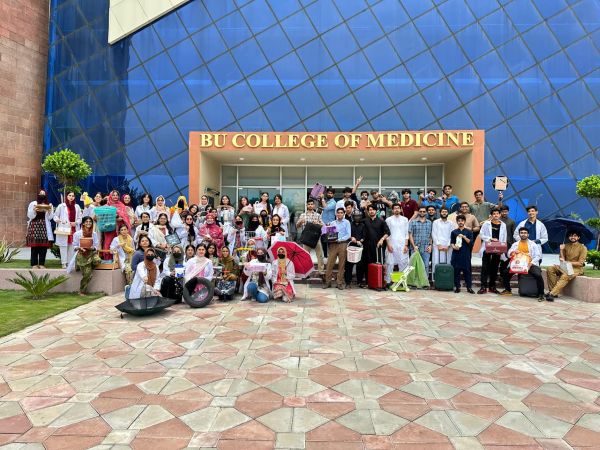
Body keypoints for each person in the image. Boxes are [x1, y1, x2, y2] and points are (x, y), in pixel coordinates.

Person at [503, 227, 544, 301]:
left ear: (528, 234)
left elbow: (538, 256)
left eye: (525, 233)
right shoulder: (515, 244)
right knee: (505, 273)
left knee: (538, 275)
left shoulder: (533, 244)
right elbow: (508, 254)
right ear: (519, 234)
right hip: (517, 264)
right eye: (521, 233)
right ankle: (508, 290)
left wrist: (531, 264)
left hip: (530, 264)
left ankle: (541, 294)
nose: (523, 234)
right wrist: (513, 252)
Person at [545, 230, 587, 301]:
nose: (572, 237)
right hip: (565, 267)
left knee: (566, 275)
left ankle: (551, 294)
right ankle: (553, 292)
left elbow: (580, 263)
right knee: (550, 268)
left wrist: (567, 262)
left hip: (576, 268)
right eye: (571, 236)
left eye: (575, 236)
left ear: (578, 237)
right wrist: (561, 250)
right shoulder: (565, 246)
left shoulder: (583, 248)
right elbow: (562, 260)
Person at [68, 216, 101, 295]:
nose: (88, 223)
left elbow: (96, 245)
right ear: (83, 223)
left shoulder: (94, 234)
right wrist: (79, 248)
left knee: (98, 260)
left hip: (91, 253)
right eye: (86, 222)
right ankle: (82, 291)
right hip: (81, 253)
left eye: (90, 222)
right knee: (88, 275)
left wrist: (93, 248)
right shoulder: (77, 234)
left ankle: (87, 266)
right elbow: (74, 246)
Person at [478, 209, 507, 294]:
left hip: (498, 249)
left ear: (500, 215)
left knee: (494, 268)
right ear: (491, 215)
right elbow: (481, 234)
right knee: (485, 268)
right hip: (487, 247)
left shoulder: (503, 225)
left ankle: (492, 287)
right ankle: (483, 287)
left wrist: (502, 249)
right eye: (494, 214)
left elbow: (504, 237)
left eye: (497, 213)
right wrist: (490, 239)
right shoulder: (486, 224)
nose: (496, 215)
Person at [323, 207, 351, 290]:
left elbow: (348, 235)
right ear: (336, 214)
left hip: (343, 244)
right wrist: (326, 228)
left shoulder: (347, 222)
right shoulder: (332, 223)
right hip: (333, 245)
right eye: (338, 213)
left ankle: (339, 283)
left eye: (341, 213)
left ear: (344, 214)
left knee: (341, 265)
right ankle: (328, 282)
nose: (339, 214)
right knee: (329, 264)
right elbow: (326, 233)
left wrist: (340, 239)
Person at [54, 191, 82, 268]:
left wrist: (76, 223)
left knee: (72, 246)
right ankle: (64, 263)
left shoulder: (77, 206)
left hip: (74, 229)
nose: (71, 197)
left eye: (73, 196)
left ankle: (70, 263)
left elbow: (80, 218)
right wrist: (58, 220)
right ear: (66, 196)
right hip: (64, 228)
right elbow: (55, 216)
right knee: (63, 246)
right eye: (69, 195)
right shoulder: (61, 206)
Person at [363, 204, 390, 286]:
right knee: (368, 264)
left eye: (373, 210)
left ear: (376, 211)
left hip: (378, 246)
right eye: (370, 210)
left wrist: (382, 239)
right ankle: (369, 282)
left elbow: (388, 232)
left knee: (379, 264)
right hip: (368, 246)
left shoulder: (381, 221)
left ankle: (380, 282)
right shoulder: (365, 221)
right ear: (368, 212)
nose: (371, 211)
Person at [296, 198, 325, 275]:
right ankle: (306, 271)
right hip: (306, 238)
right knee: (305, 255)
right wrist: (300, 222)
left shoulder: (317, 215)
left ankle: (321, 271)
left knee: (320, 255)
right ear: (306, 205)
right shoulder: (303, 215)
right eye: (309, 204)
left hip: (316, 237)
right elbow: (297, 226)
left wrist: (318, 223)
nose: (310, 205)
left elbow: (323, 226)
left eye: (312, 204)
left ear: (314, 205)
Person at [26, 189, 54, 268]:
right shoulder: (33, 203)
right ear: (38, 194)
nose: (42, 195)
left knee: (43, 246)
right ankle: (34, 264)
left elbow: (50, 217)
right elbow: (30, 215)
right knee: (34, 246)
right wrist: (34, 210)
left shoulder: (49, 204)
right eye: (40, 194)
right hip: (34, 226)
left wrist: (49, 211)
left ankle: (42, 264)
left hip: (44, 226)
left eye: (43, 194)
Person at [385, 203, 410, 285]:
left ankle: (402, 281)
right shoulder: (388, 220)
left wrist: (406, 245)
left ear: (400, 209)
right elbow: (386, 233)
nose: (396, 210)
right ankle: (388, 281)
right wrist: (388, 245)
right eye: (395, 208)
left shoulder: (405, 219)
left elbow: (406, 233)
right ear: (392, 210)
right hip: (392, 243)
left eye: (398, 208)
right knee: (390, 263)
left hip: (402, 244)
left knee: (403, 262)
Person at [450, 215, 474, 293]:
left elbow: (470, 242)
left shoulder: (469, 232)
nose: (460, 222)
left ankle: (469, 287)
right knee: (456, 271)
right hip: (456, 254)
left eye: (462, 221)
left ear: (464, 222)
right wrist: (454, 247)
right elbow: (452, 242)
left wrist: (463, 237)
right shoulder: (454, 232)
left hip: (466, 254)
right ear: (457, 222)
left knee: (467, 271)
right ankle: (457, 287)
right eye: (459, 221)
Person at [103, 190, 131, 256]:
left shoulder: (122, 205)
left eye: (117, 195)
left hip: (120, 228)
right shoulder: (107, 205)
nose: (115, 196)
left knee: (120, 242)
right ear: (110, 196)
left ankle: (120, 258)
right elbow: (104, 217)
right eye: (113, 195)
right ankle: (108, 258)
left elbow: (125, 215)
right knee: (109, 242)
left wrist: (122, 218)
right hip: (110, 228)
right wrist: (115, 218)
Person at [409, 206, 433, 281]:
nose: (422, 213)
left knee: (425, 265)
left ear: (426, 212)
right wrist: (414, 246)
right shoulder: (413, 222)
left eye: (424, 211)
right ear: (418, 212)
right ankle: (414, 282)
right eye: (420, 211)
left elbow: (431, 235)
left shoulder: (429, 223)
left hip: (426, 247)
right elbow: (410, 235)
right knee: (414, 265)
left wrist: (430, 245)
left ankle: (425, 282)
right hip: (415, 247)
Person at [431, 207, 456, 280]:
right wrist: (438, 244)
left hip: (448, 246)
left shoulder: (451, 223)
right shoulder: (436, 222)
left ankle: (447, 280)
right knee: (436, 262)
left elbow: (452, 235)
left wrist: (448, 245)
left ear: (448, 213)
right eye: (443, 212)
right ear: (440, 213)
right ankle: (435, 280)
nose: (444, 213)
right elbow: (433, 234)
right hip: (437, 246)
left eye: (445, 212)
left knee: (448, 262)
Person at [345, 210, 366, 287]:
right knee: (348, 265)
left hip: (359, 247)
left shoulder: (363, 225)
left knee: (360, 265)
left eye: (359, 216)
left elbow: (364, 236)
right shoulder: (349, 224)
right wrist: (351, 237)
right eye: (356, 216)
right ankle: (348, 282)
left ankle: (359, 282)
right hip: (350, 247)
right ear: (353, 217)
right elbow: (347, 234)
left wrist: (361, 240)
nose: (357, 218)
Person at [498, 205, 516, 294]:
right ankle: (501, 276)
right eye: (503, 211)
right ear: (500, 212)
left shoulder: (511, 221)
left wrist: (513, 245)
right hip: (498, 243)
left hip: (508, 244)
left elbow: (514, 234)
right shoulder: (497, 220)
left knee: (506, 261)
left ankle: (503, 277)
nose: (504, 213)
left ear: (508, 212)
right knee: (498, 260)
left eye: (506, 211)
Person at [319, 187, 337, 258]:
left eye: (331, 193)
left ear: (333, 194)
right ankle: (325, 256)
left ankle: (332, 257)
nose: (329, 194)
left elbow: (326, 208)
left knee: (331, 242)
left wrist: (322, 199)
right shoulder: (327, 201)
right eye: (328, 193)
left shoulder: (333, 202)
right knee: (323, 241)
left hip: (331, 225)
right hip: (324, 225)